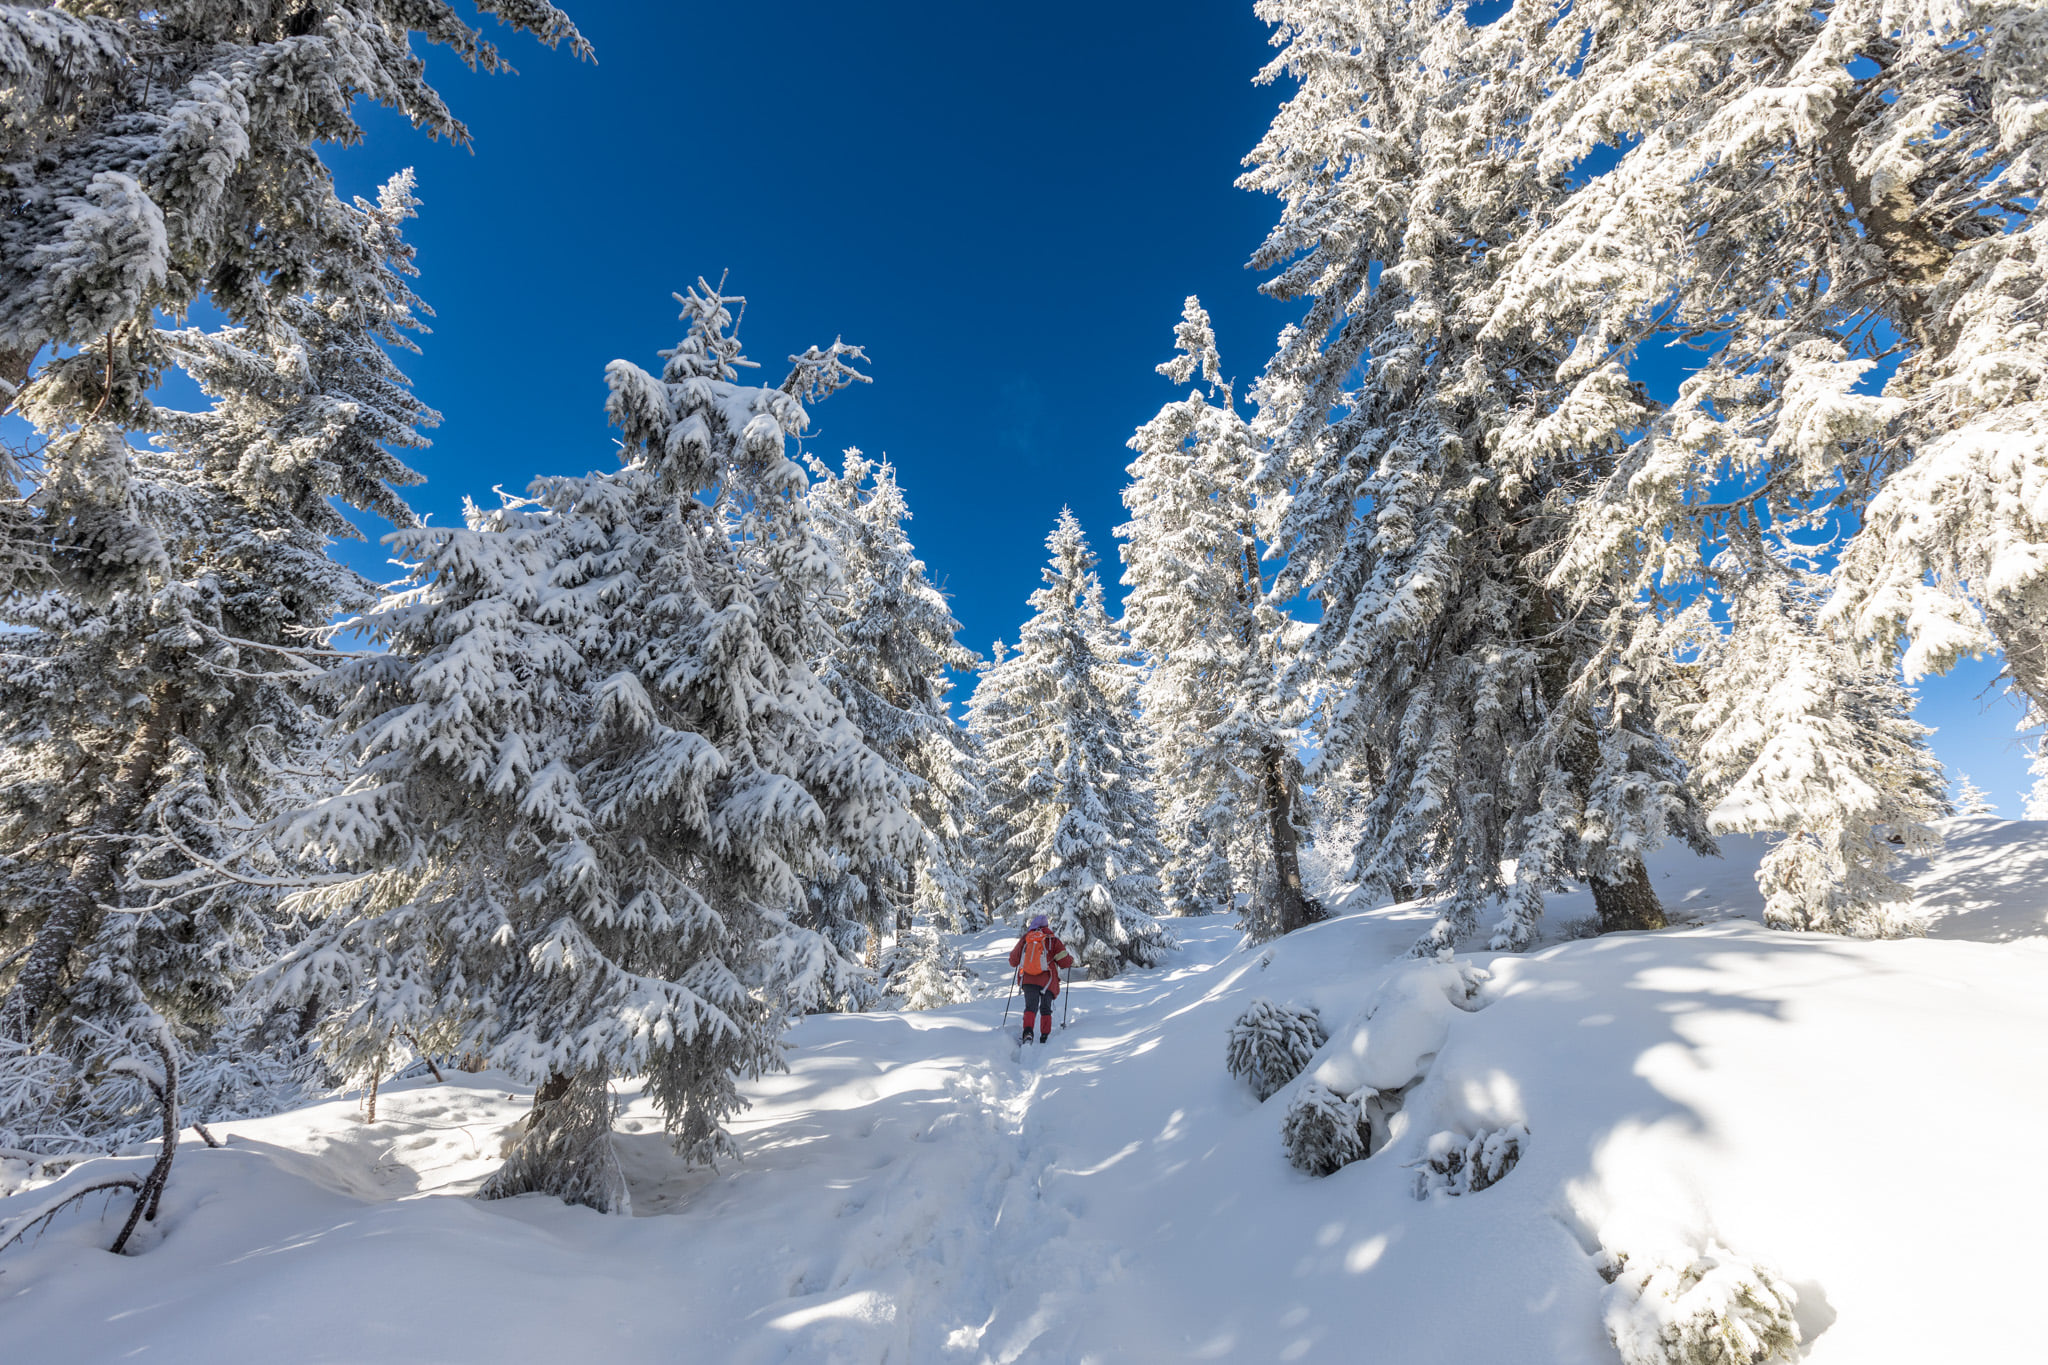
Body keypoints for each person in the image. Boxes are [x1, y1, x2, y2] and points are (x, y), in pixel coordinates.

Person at [1008, 912, 1075, 1044]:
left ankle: (1027, 1033)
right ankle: (1044, 1037)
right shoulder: (1052, 940)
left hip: (1028, 979)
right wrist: (1070, 960)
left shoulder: (1026, 939)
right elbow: (1064, 962)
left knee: (1030, 1007)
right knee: (1045, 1008)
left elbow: (1013, 961)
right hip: (1048, 981)